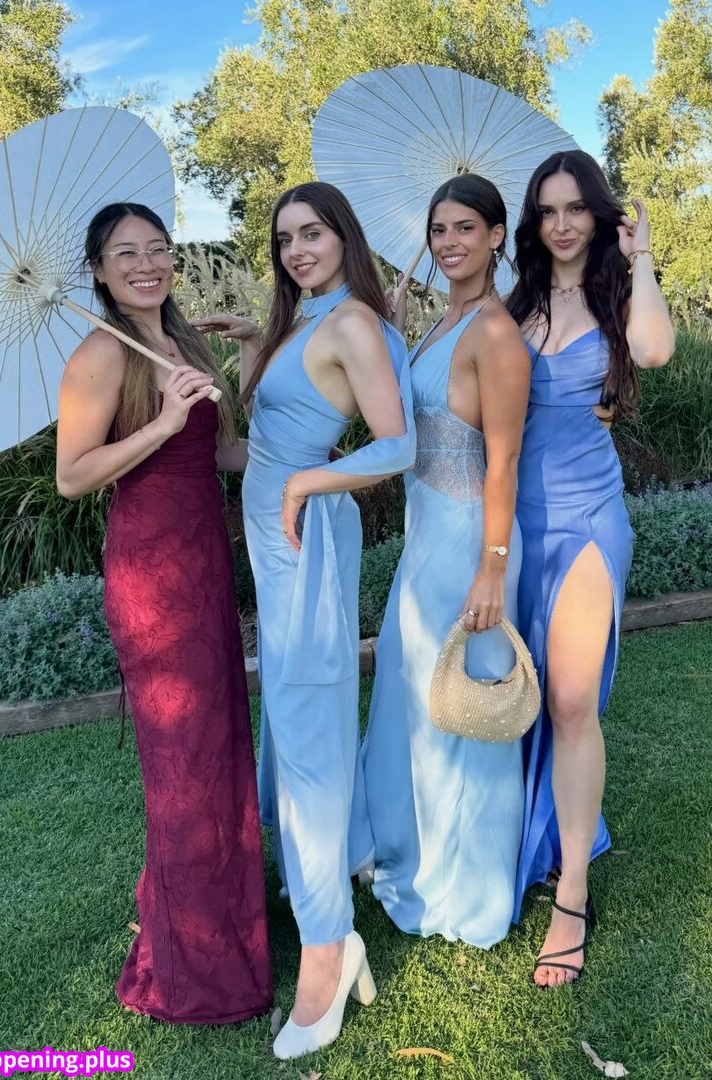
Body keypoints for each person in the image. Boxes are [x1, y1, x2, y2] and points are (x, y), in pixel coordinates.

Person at [194, 181, 415, 1059]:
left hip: (306, 536)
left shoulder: (352, 322)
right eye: (284, 238)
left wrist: (305, 485)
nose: (295, 250)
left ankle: (329, 946)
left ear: (343, 236)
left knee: (309, 723)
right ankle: (333, 865)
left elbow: (398, 444)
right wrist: (252, 352)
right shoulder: (303, 319)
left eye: (312, 233)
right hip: (277, 535)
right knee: (296, 720)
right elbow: (267, 442)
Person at [55, 202, 273, 1023]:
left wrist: (302, 454)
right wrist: (167, 420)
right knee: (184, 760)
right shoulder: (101, 353)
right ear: (99, 270)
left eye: (158, 249)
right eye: (125, 254)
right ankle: (196, 961)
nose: (146, 264)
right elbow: (73, 476)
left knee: (215, 743)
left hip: (204, 559)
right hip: (151, 574)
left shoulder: (182, 342)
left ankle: (226, 923)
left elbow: (219, 453)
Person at [506, 151, 674, 986]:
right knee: (523, 699)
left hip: (587, 522)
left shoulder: (616, 294)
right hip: (514, 527)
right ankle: (536, 838)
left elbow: (654, 351)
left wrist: (642, 259)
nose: (562, 224)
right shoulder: (516, 302)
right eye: (547, 210)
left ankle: (571, 893)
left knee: (571, 702)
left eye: (576, 208)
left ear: (599, 215)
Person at [360, 175, 530, 946]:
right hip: (425, 535)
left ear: (496, 236)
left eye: (466, 228)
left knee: (463, 705)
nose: (449, 242)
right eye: (439, 229)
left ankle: (467, 889)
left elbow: (503, 462)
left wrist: (491, 568)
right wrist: (397, 337)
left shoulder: (495, 332)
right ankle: (415, 851)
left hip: (468, 541)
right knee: (418, 696)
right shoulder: (442, 322)